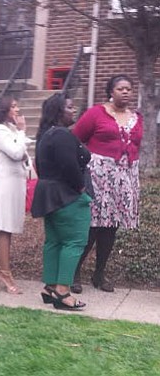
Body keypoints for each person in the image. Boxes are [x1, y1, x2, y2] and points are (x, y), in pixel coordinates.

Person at [71, 74, 143, 294]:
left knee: (111, 228)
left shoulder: (136, 117)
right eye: (121, 88)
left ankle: (99, 273)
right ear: (111, 91)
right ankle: (74, 272)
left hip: (125, 178)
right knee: (92, 226)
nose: (125, 92)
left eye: (129, 89)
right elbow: (75, 139)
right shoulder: (96, 113)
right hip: (98, 178)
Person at [31, 93, 90, 310]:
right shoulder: (63, 135)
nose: (73, 111)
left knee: (54, 241)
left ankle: (50, 287)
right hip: (68, 195)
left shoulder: (45, 135)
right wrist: (80, 187)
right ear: (58, 111)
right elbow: (69, 165)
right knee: (74, 241)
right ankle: (63, 291)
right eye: (70, 107)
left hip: (49, 195)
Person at [0, 95, 28, 294]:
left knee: (9, 227)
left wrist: (19, 134)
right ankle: (4, 271)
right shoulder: (0, 130)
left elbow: (24, 155)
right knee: (4, 226)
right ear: (4, 110)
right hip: (4, 183)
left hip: (15, 181)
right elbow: (16, 153)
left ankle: (3, 269)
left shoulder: (11, 130)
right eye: (13, 106)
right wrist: (22, 131)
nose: (17, 110)